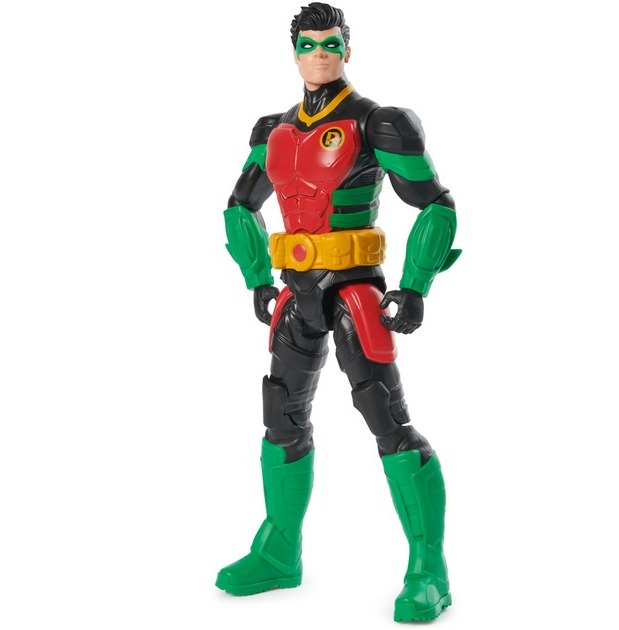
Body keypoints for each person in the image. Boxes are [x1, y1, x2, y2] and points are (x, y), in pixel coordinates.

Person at [217, 2, 460, 622]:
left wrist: (415, 285)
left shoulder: (379, 123)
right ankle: (279, 550)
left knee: (387, 418)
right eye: (308, 44)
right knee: (281, 415)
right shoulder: (271, 131)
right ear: (294, 53)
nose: (319, 54)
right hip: (295, 292)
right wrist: (255, 276)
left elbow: (435, 203)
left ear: (347, 49)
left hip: (355, 291)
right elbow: (240, 205)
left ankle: (428, 567)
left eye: (330, 43)